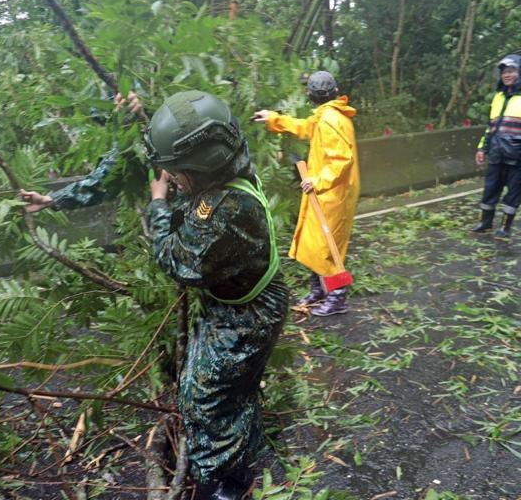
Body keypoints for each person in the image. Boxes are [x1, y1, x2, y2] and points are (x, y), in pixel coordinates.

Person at [23, 90, 288, 500]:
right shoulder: (220, 150)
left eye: (176, 173)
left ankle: (223, 487)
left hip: (247, 313)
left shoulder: (226, 206)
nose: (170, 178)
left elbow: (178, 262)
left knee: (206, 399)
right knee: (226, 393)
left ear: (198, 167)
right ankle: (249, 460)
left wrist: (159, 205)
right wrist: (58, 197)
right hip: (231, 299)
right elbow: (125, 169)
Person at [253, 70, 360, 317]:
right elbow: (303, 127)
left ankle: (337, 295)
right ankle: (319, 289)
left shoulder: (331, 120)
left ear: (312, 95)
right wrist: (273, 119)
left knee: (327, 247)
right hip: (324, 192)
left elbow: (342, 160)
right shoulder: (325, 116)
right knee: (313, 243)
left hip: (332, 193)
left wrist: (318, 180)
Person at [472, 54, 521, 238]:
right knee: (490, 189)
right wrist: (482, 148)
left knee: (514, 192)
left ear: (520, 71)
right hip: (496, 152)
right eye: (504, 72)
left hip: (520, 153)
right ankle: (485, 222)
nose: (507, 75)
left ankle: (505, 227)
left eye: (511, 71)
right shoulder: (499, 96)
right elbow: (491, 126)